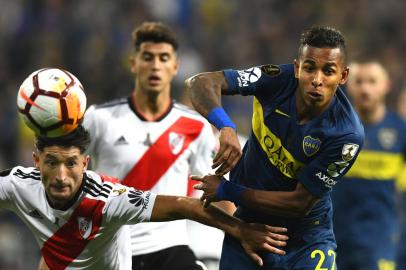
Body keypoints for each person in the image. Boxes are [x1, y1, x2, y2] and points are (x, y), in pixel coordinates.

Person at [185, 25, 365, 269]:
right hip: (248, 225)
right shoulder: (274, 80)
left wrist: (228, 191)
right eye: (309, 68)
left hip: (305, 240)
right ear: (296, 68)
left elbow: (298, 203)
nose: (317, 80)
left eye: (328, 71)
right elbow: (201, 82)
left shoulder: (346, 134)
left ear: (343, 76)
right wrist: (225, 126)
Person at [1, 125, 289, 269]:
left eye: (71, 164)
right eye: (52, 163)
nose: (62, 176)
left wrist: (242, 229)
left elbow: (183, 205)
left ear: (86, 164)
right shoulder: (18, 184)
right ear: (36, 161)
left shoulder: (109, 199)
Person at [82, 22, 219, 270]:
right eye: (148, 57)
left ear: (175, 66)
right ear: (133, 63)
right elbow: (68, 175)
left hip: (171, 249)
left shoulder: (196, 126)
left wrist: (243, 232)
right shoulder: (99, 119)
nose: (155, 65)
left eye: (163, 58)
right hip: (112, 250)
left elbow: (216, 193)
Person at [331, 60, 406, 270]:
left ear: (386, 86)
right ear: (348, 85)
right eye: (359, 82)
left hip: (380, 241)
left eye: (372, 81)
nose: (365, 88)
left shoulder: (400, 131)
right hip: (333, 238)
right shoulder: (332, 128)